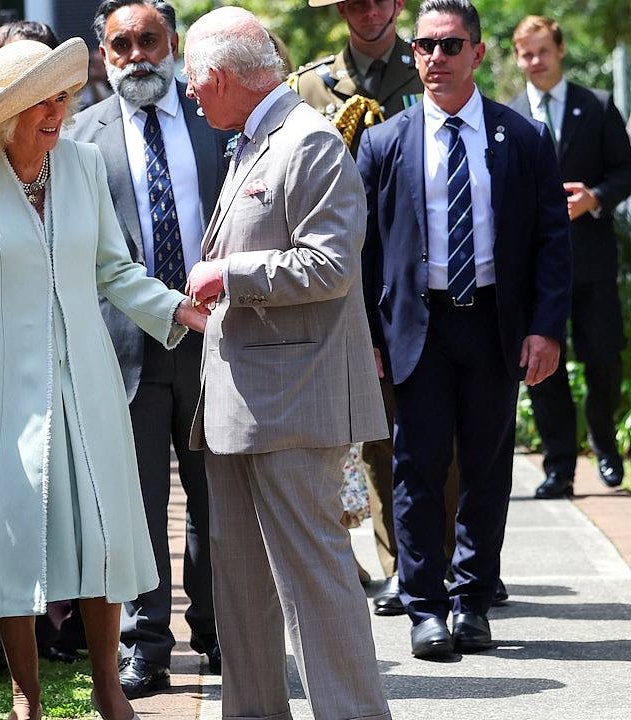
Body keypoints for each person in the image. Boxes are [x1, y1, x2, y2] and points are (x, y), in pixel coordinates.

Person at [0, 37, 208, 720]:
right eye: (41, 101)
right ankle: (27, 696)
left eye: (62, 96)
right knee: (11, 534)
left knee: (101, 530)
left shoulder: (82, 164)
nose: (57, 111)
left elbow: (114, 269)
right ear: (7, 113)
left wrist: (176, 308)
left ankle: (109, 686)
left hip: (87, 374)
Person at [181, 7, 391, 718]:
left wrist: (230, 274)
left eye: (193, 80)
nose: (189, 94)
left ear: (218, 76)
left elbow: (331, 264)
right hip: (243, 409)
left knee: (318, 594)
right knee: (241, 600)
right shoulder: (255, 137)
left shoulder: (307, 141)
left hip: (295, 406)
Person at [357, 0, 570, 659]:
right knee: (416, 470)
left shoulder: (522, 138)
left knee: (486, 469)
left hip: (494, 328)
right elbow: (360, 250)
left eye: (449, 46)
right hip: (415, 330)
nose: (434, 58)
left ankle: (472, 602)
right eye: (424, 46)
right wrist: (366, 337)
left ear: (477, 54)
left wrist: (545, 328)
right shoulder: (384, 142)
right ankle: (425, 607)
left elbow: (550, 240)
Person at [68, 0, 228, 695]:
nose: (136, 55)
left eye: (149, 40)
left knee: (215, 497)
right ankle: (146, 644)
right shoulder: (77, 136)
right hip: (120, 343)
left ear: (174, 45)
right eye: (120, 44)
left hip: (217, 341)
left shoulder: (221, 119)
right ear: (103, 55)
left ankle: (222, 632)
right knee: (131, 506)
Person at [290, 0, 457, 617]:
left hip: (419, 277)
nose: (366, 10)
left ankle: (439, 562)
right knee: (367, 432)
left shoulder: (434, 70)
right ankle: (400, 566)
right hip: (336, 277)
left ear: (398, 7)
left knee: (434, 432)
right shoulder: (310, 86)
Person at [509, 15, 631, 497]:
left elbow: (626, 170)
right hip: (536, 266)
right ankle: (558, 466)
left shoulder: (597, 106)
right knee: (540, 362)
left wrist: (594, 198)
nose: (535, 62)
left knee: (603, 360)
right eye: (526, 54)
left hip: (593, 261)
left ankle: (603, 441)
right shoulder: (510, 113)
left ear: (559, 50)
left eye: (542, 51)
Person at [292, 0, 424, 153]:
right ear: (341, 9)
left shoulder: (432, 71)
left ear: (399, 4)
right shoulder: (309, 86)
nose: (370, 11)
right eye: (358, 3)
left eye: (380, 1)